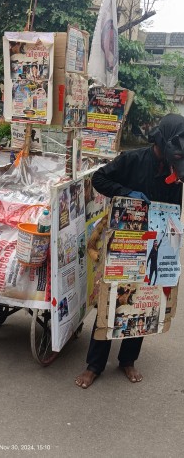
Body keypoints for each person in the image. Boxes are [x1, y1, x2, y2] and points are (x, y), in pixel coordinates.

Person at [76, 113, 184, 388]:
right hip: (121, 246)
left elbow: (175, 211)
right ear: (161, 144)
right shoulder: (132, 159)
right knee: (110, 300)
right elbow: (99, 179)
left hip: (154, 248)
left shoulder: (174, 175)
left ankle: (127, 360)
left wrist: (173, 233)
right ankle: (94, 365)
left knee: (144, 302)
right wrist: (126, 194)